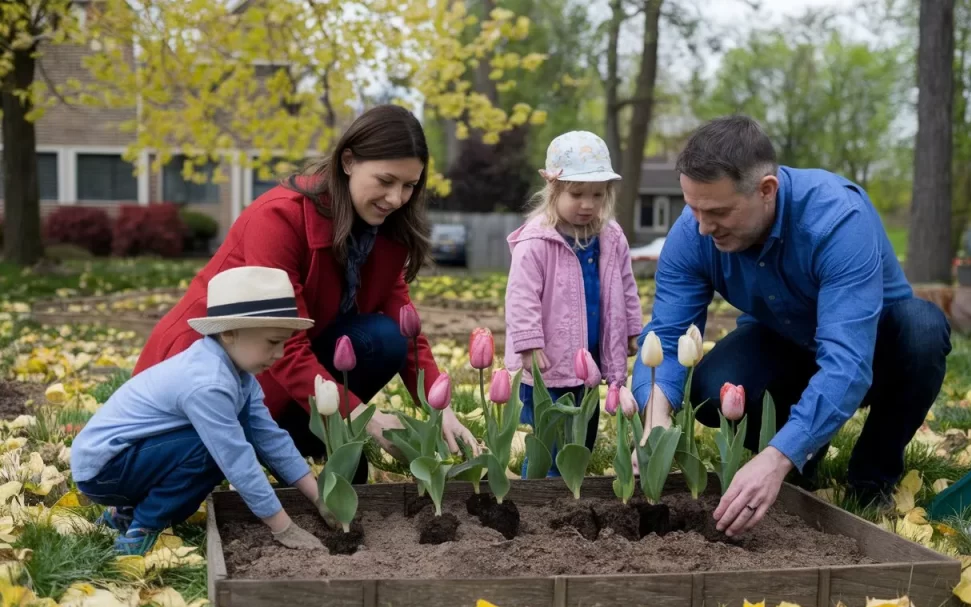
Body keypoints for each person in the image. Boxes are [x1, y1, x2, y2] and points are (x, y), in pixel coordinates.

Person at [631, 115, 951, 537]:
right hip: (784, 343)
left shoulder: (837, 221)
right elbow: (668, 337)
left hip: (873, 349)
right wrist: (656, 421)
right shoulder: (694, 233)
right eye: (693, 209)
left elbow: (846, 361)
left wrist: (777, 455)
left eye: (718, 212)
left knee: (923, 328)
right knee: (715, 389)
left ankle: (871, 475)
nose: (703, 227)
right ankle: (806, 455)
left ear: (767, 191)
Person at [134, 105, 480, 481]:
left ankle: (306, 437)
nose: (397, 198)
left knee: (386, 337)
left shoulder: (387, 230)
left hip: (283, 365)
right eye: (386, 180)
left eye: (410, 185)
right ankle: (290, 437)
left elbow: (406, 326)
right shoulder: (280, 217)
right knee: (198, 460)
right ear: (348, 161)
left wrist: (439, 406)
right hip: (218, 368)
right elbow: (282, 345)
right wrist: (361, 416)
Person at [73, 267, 337, 555]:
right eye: (273, 342)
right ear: (230, 333)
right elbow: (236, 459)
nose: (280, 354)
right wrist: (283, 527)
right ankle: (142, 526)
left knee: (223, 443)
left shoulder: (239, 376)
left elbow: (269, 437)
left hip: (124, 460)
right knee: (215, 451)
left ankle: (124, 513)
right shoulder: (208, 382)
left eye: (284, 343)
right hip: (104, 469)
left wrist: (319, 497)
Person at [504, 130, 644, 475]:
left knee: (583, 435)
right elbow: (520, 297)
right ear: (553, 191)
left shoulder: (611, 238)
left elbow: (627, 287)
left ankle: (572, 489)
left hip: (591, 358)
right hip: (548, 359)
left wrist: (632, 330)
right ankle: (537, 492)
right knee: (548, 440)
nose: (588, 204)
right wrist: (529, 344)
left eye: (598, 195)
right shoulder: (537, 240)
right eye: (577, 194)